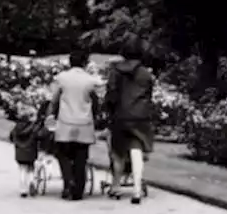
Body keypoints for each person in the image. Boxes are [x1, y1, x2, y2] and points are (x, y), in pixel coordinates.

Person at [105, 36, 156, 204]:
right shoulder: (146, 74)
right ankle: (136, 189)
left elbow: (111, 95)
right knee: (137, 151)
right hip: (140, 116)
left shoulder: (115, 71)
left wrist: (109, 112)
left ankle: (116, 186)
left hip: (120, 115)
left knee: (118, 153)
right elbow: (149, 96)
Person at [48, 50, 102, 201]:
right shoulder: (90, 80)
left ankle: (68, 181)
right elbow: (96, 102)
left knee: (62, 153)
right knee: (81, 156)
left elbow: (54, 100)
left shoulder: (62, 78)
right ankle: (78, 188)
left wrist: (50, 116)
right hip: (84, 123)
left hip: (65, 121)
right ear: (85, 63)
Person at [8, 102, 43, 197]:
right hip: (31, 151)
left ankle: (23, 190)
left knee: (22, 170)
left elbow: (11, 137)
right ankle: (31, 182)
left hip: (19, 152)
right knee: (31, 169)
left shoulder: (16, 128)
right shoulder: (34, 128)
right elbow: (39, 136)